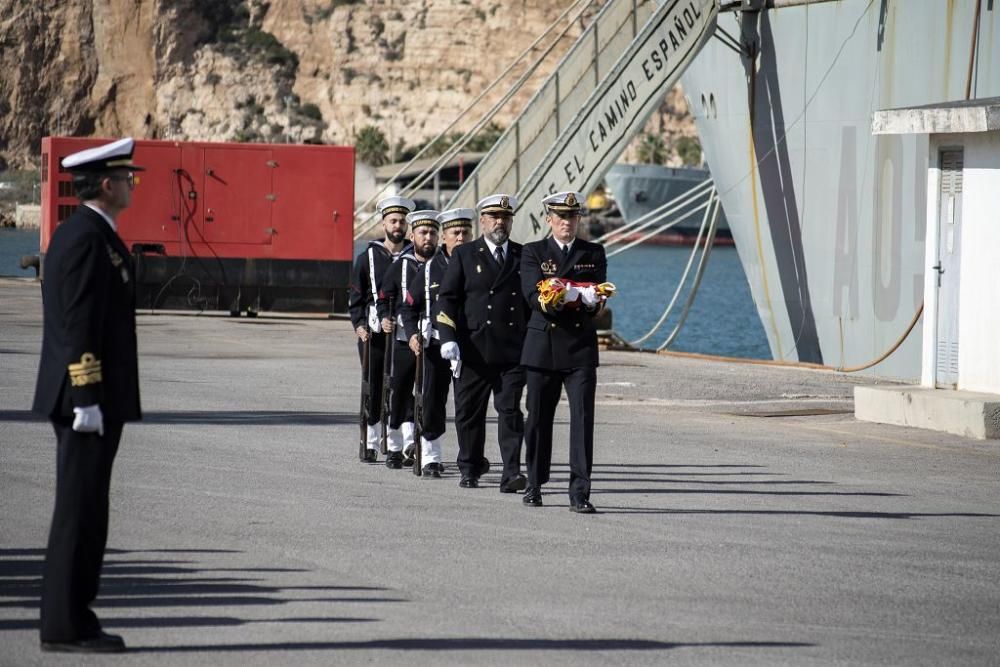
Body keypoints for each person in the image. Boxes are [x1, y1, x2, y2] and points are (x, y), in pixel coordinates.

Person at [32, 138, 144, 653]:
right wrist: (85, 396)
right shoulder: (83, 238)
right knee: (77, 510)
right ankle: (62, 624)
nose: (132, 184)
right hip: (84, 398)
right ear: (106, 184)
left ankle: (78, 613)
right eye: (127, 177)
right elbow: (77, 324)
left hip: (96, 396)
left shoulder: (97, 235)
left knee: (90, 509)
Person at [519, 191, 609, 514]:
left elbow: (598, 297)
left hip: (579, 347)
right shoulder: (533, 253)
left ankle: (580, 492)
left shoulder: (593, 253)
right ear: (549, 220)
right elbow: (535, 297)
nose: (566, 223)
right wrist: (574, 294)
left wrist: (573, 294)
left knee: (583, 421)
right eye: (560, 217)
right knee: (538, 420)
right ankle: (534, 483)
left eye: (571, 217)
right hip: (543, 347)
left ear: (578, 220)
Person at [436, 194, 529, 491]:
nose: (499, 222)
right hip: (473, 348)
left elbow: (530, 302)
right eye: (493, 217)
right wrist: (447, 338)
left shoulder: (523, 255)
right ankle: (470, 466)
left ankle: (511, 472)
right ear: (483, 222)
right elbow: (448, 299)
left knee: (511, 412)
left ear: (511, 222)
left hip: (511, 350)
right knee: (469, 413)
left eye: (505, 218)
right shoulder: (465, 254)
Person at [400, 207, 473, 477]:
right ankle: (431, 456)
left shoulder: (478, 263)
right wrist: (412, 334)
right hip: (434, 346)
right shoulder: (431, 269)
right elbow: (408, 307)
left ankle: (470, 458)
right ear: (445, 237)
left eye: (466, 232)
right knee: (432, 401)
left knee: (467, 405)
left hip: (468, 347)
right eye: (456, 233)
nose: (461, 238)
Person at [348, 196, 414, 461]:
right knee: (374, 386)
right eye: (393, 221)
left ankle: (408, 440)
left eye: (402, 221)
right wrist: (359, 325)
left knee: (404, 385)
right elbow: (356, 298)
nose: (398, 226)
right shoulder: (367, 258)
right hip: (374, 334)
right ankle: (372, 440)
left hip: (403, 333)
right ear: (384, 223)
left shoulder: (414, 256)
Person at [376, 209, 439, 469]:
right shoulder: (401, 265)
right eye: (423, 233)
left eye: (433, 233)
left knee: (427, 395)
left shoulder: (441, 266)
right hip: (403, 339)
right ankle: (394, 446)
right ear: (412, 236)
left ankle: (420, 444)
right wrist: (383, 318)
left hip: (433, 340)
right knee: (400, 392)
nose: (428, 238)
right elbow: (383, 297)